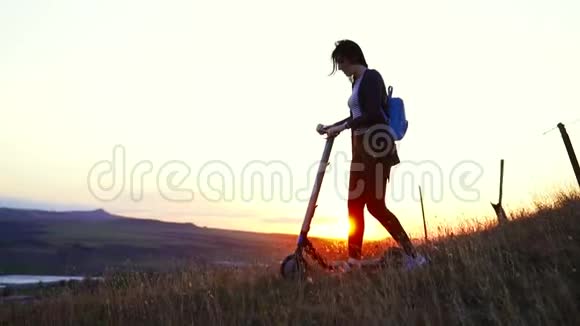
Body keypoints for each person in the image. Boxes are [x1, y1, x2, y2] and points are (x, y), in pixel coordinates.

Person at [319, 39, 427, 271]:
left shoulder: (372, 77)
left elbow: (371, 114)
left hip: (376, 148)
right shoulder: (356, 83)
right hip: (360, 149)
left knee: (376, 206)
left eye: (342, 62)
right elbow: (355, 116)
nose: (341, 68)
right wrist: (331, 126)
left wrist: (343, 126)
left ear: (352, 57)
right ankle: (354, 262)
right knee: (354, 203)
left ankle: (415, 258)